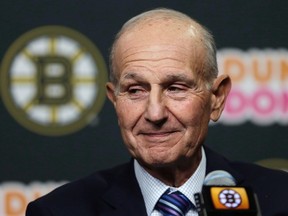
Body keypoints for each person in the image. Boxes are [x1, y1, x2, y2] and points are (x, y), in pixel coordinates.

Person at [26, 8, 288, 216]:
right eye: (135, 90)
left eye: (175, 88)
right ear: (115, 100)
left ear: (217, 98)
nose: (155, 113)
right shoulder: (59, 211)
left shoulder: (280, 200)